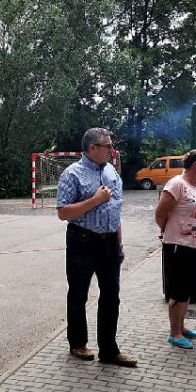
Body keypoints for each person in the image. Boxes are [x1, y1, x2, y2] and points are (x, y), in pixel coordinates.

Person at [56, 128, 137, 367]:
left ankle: (109, 350)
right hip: (82, 241)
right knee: (78, 294)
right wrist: (95, 200)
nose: (111, 150)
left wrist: (119, 243)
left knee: (111, 295)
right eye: (107, 146)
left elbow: (115, 210)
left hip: (109, 242)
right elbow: (63, 212)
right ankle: (77, 343)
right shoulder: (72, 174)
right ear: (92, 148)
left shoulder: (111, 171)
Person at [155, 150, 196, 349]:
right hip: (178, 246)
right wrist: (166, 230)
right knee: (179, 290)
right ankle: (175, 333)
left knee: (189, 288)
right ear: (195, 164)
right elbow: (160, 212)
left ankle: (182, 326)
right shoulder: (176, 184)